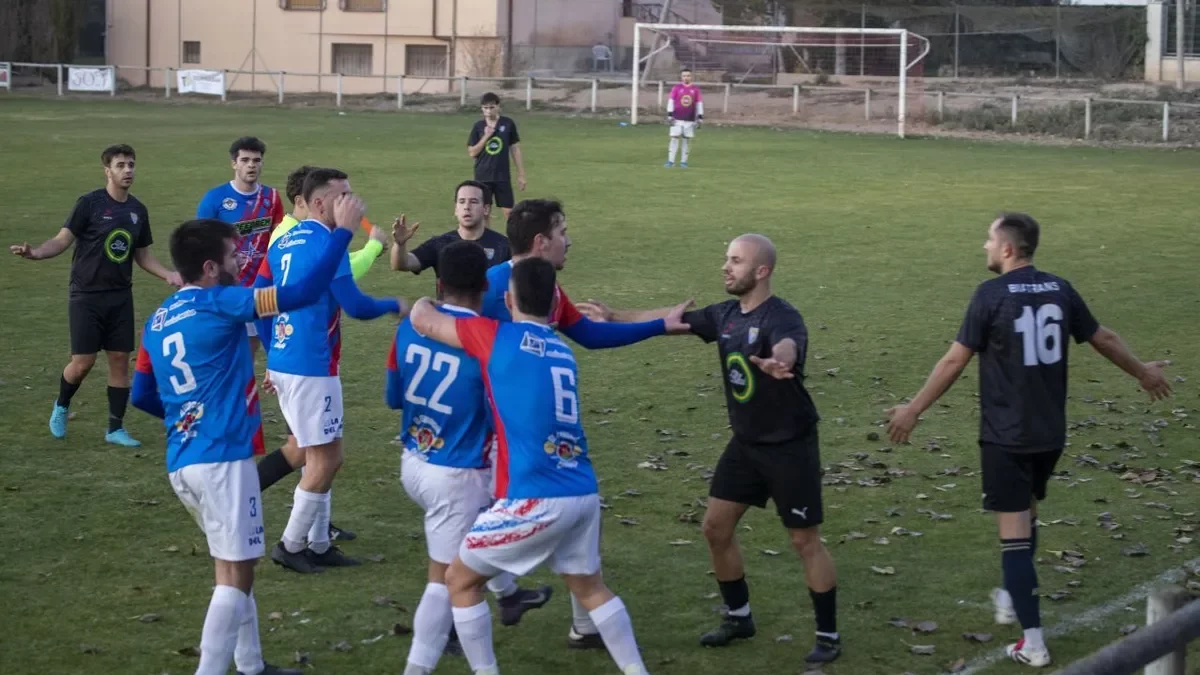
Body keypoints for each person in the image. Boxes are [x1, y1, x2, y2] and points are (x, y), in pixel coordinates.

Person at [885, 213, 1172, 668]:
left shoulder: (990, 294)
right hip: (1049, 434)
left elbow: (954, 361)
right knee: (1027, 514)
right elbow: (1102, 337)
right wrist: (1142, 372)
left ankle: (1032, 643)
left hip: (1006, 437)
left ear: (1007, 249)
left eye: (988, 239)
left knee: (1015, 536)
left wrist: (913, 409)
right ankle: (1009, 591)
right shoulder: (1060, 288)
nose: (984, 246)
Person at [409, 257, 690, 675]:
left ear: (508, 301)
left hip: (534, 497)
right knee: (590, 588)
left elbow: (424, 320)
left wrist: (421, 301)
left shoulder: (495, 337)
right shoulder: (562, 350)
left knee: (459, 580)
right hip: (582, 491)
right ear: (555, 304)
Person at [130, 216, 358, 675]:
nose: (241, 263)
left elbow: (140, 394)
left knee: (233, 566)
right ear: (210, 267)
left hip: (182, 462)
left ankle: (251, 665)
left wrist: (185, 418)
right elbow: (300, 294)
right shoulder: (223, 302)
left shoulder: (159, 318)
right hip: (223, 462)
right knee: (235, 575)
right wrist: (343, 234)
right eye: (234, 256)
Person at [481, 198, 691, 648]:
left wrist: (659, 325)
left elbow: (589, 334)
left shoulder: (546, 289)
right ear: (541, 242)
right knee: (474, 522)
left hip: (535, 430)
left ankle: (583, 624)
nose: (569, 241)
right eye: (563, 232)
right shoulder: (493, 287)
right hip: (492, 432)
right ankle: (460, 616)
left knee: (569, 513)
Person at [388, 242, 552, 675]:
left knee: (477, 541)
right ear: (485, 285)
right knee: (444, 580)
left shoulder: (408, 328)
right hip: (457, 473)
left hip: (414, 460)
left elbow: (393, 396)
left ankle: (510, 595)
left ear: (439, 283)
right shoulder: (487, 339)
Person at [678, 234, 841, 665]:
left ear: (762, 271)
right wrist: (614, 317)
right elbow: (672, 320)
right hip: (747, 444)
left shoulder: (782, 316)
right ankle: (739, 618)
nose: (725, 267)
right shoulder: (725, 314)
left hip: (790, 446)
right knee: (715, 528)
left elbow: (788, 344)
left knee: (804, 539)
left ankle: (828, 635)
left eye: (736, 261)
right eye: (726, 258)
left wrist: (780, 361)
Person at [257, 168, 406, 574]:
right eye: (344, 196)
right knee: (326, 458)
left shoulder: (282, 242)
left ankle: (320, 544)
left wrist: (274, 354)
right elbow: (355, 306)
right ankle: (290, 546)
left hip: (291, 362)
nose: (353, 203)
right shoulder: (328, 242)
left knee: (319, 452)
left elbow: (260, 303)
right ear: (320, 203)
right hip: (311, 365)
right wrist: (396, 304)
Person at [10, 144, 180, 447]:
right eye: (120, 165)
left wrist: (167, 273)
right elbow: (62, 240)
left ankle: (115, 429)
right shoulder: (89, 204)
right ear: (107, 171)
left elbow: (142, 255)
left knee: (119, 360)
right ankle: (62, 404)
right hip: (86, 295)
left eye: (131, 165)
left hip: (120, 296)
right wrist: (35, 253)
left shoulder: (137, 210)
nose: (127, 170)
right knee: (83, 363)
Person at [196, 137, 286, 353]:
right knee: (224, 347)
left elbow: (279, 239)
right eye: (245, 160)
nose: (251, 165)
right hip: (227, 287)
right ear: (234, 164)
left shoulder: (272, 197)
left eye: (256, 160)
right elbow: (199, 244)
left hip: (261, 286)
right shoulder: (215, 199)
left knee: (252, 346)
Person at [390, 180, 512, 280]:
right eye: (462, 202)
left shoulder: (504, 246)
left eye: (473, 202)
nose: (467, 207)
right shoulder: (440, 244)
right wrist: (399, 245)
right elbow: (401, 265)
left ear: (486, 209)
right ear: (456, 209)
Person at [467, 93, 526, 219]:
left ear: (498, 107)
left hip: (502, 175)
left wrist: (521, 174)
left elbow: (515, 149)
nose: (488, 111)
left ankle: (513, 233)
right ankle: (486, 233)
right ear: (482, 108)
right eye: (485, 108)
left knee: (510, 212)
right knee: (484, 213)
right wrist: (486, 136)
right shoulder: (478, 126)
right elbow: (472, 152)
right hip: (483, 175)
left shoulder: (508, 123)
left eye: (491, 107)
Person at [665, 69, 703, 168]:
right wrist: (670, 115)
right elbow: (671, 101)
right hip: (676, 118)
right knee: (674, 138)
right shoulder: (676, 88)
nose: (686, 77)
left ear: (691, 77)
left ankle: (683, 162)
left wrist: (700, 116)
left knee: (686, 140)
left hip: (690, 118)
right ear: (681, 77)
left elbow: (699, 103)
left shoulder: (695, 90)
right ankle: (671, 161)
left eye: (688, 75)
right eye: (684, 76)